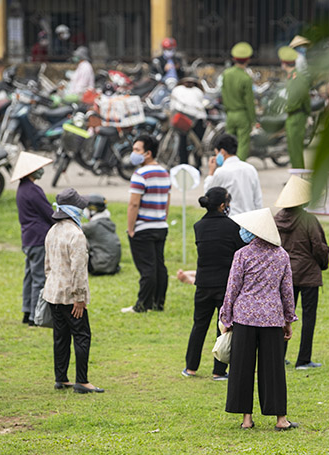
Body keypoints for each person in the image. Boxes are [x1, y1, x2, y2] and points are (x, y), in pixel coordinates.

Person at [220, 208, 299, 430]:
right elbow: (286, 292)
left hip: (244, 317)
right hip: (272, 319)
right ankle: (280, 419)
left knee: (242, 368)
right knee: (273, 369)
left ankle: (246, 419)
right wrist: (288, 321)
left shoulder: (242, 255)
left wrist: (226, 318)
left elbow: (232, 288)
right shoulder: (281, 255)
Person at [44, 188, 104, 394]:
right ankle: (82, 381)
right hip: (70, 295)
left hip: (52, 293)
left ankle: (61, 378)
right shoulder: (76, 234)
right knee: (81, 335)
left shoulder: (52, 231)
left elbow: (47, 265)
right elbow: (78, 270)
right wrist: (79, 298)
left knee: (60, 336)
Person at [182, 187, 245, 381]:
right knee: (224, 326)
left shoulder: (198, 226)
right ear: (222, 205)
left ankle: (191, 367)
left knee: (198, 325)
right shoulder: (233, 226)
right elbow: (240, 251)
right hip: (225, 286)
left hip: (203, 284)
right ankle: (219, 371)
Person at [274, 175, 329, 369]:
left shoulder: (275, 219)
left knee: (282, 316)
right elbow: (319, 246)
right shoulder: (309, 220)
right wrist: (323, 264)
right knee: (308, 317)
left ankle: (279, 355)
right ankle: (303, 359)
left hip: (283, 274)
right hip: (308, 274)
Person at [123, 134, 171, 313]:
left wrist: (130, 228)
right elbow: (167, 201)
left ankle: (142, 305)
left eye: (137, 150)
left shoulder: (140, 174)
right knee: (159, 267)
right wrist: (162, 219)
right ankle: (158, 303)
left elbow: (134, 204)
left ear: (148, 153)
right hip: (160, 225)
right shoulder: (165, 172)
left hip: (143, 227)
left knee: (147, 269)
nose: (133, 153)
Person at [12, 151, 54, 326]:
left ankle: (26, 311)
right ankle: (35, 317)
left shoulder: (22, 189)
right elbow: (48, 213)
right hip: (38, 239)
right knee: (39, 278)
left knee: (29, 277)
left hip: (28, 239)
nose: (41, 171)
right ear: (30, 172)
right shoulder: (34, 190)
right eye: (39, 168)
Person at [203, 134, 262, 215]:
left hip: (231, 219)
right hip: (250, 219)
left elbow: (209, 194)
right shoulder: (250, 169)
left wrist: (211, 172)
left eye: (216, 153)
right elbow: (258, 199)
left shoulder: (221, 172)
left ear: (222, 152)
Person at [221, 42, 255, 161]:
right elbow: (249, 102)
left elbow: (223, 94)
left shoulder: (226, 74)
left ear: (234, 59)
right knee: (242, 144)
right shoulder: (246, 78)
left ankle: (227, 166)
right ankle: (239, 167)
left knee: (229, 143)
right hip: (242, 114)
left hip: (230, 114)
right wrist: (253, 120)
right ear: (248, 60)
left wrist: (227, 111)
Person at [279, 46, 310, 170]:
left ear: (284, 63)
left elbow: (303, 97)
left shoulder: (297, 77)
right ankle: (295, 176)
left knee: (296, 150)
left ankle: (300, 178)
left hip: (296, 115)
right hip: (292, 116)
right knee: (292, 149)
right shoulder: (292, 76)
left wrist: (307, 113)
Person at [169, 77, 207, 167]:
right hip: (192, 118)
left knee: (185, 142)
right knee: (193, 142)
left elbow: (172, 107)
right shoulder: (197, 91)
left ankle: (185, 163)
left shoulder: (178, 90)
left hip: (187, 119)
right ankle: (195, 164)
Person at [82, 194, 121, 276]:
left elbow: (74, 231)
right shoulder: (107, 222)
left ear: (92, 210)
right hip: (112, 266)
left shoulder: (92, 226)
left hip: (100, 267)